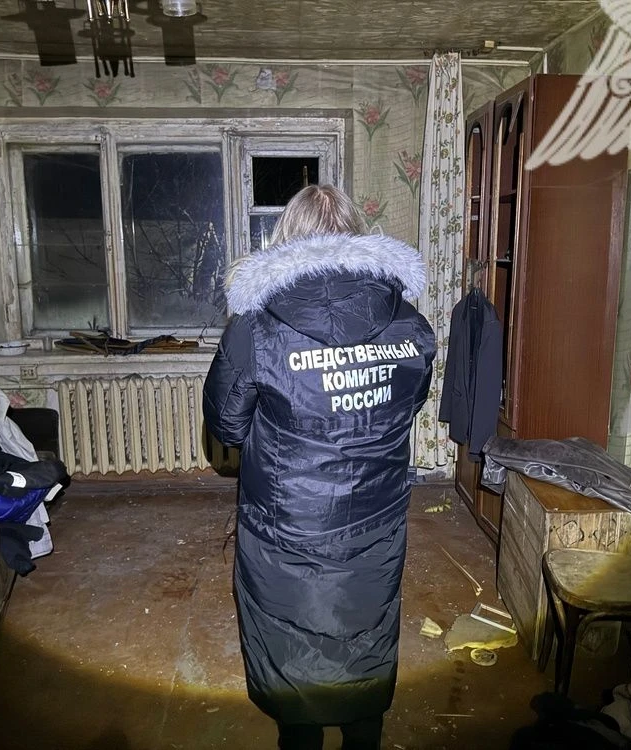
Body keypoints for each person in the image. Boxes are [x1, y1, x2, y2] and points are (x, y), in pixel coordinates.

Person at [203, 184, 436, 750]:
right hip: (376, 516)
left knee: (291, 637)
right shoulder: (410, 326)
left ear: (287, 238)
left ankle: (301, 738)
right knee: (365, 628)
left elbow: (227, 426)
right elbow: (409, 403)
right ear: (355, 234)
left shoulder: (254, 330)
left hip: (288, 525)